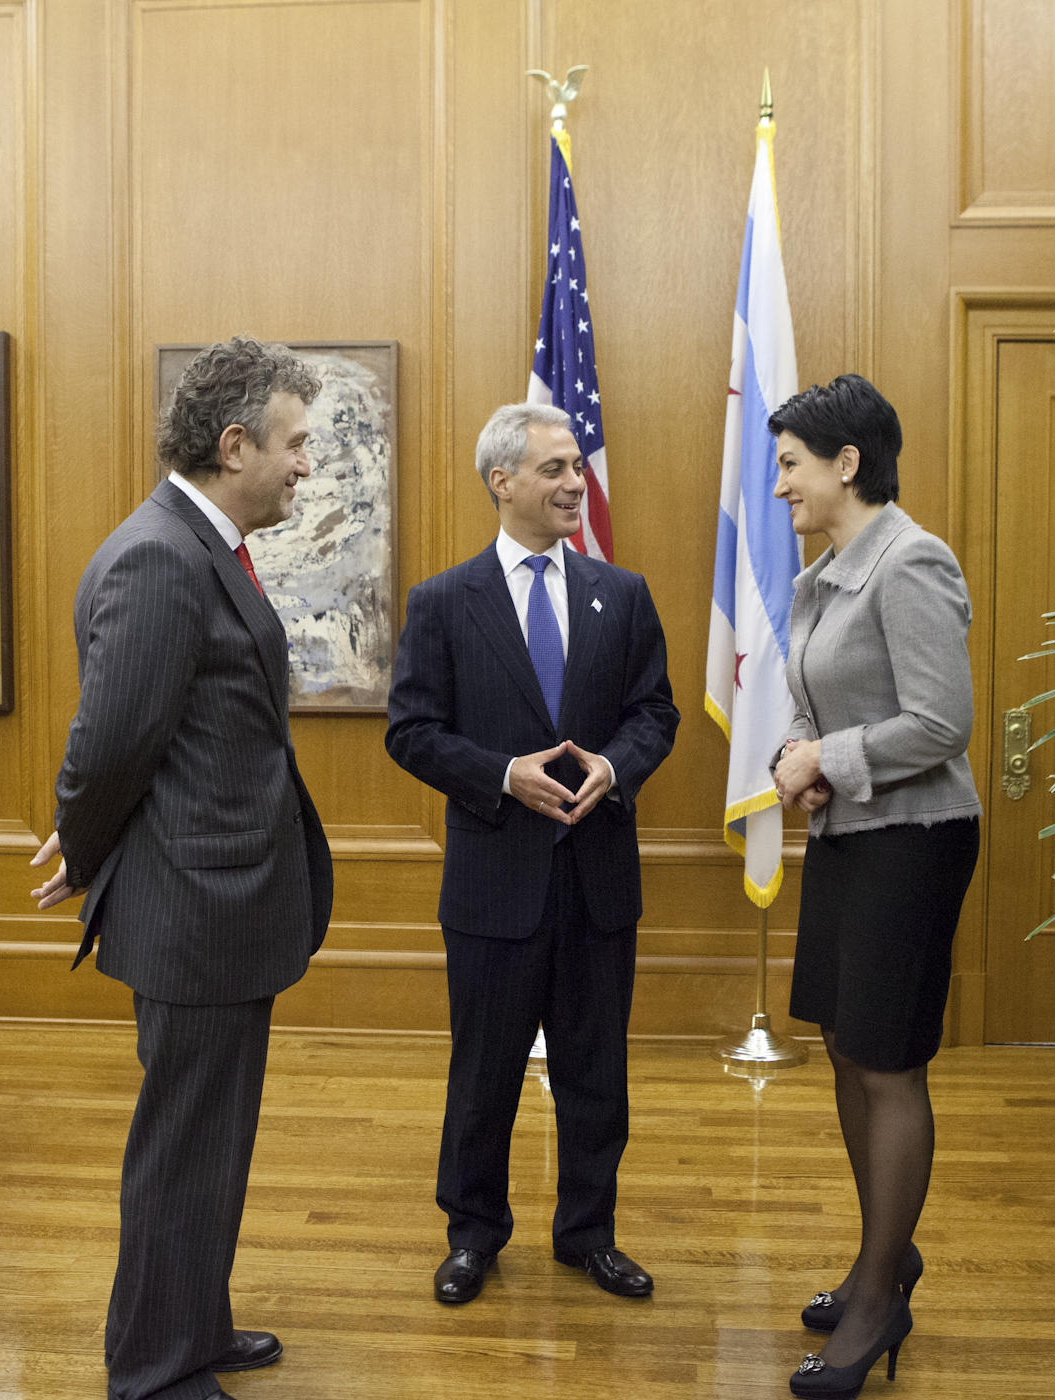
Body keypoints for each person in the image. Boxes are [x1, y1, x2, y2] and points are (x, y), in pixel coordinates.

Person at [29, 336, 336, 1400]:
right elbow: (110, 742)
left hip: (223, 903)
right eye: (294, 443)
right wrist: (82, 842)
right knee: (182, 1146)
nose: (307, 464)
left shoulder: (199, 544)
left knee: (211, 1140)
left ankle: (194, 1320)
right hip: (195, 905)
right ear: (234, 440)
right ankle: (154, 1370)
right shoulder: (161, 555)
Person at [385, 402, 679, 1307]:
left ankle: (587, 1233)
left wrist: (616, 766)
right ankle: (473, 1234)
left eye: (577, 467)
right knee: (484, 1077)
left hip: (597, 883)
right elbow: (411, 731)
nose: (572, 483)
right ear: (501, 481)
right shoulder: (443, 601)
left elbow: (654, 714)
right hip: (493, 884)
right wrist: (501, 774)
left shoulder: (620, 594)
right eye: (553, 469)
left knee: (598, 1073)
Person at [766, 374, 982, 1400]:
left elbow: (943, 724)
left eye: (791, 463)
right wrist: (800, 756)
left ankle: (875, 1305)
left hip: (916, 839)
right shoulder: (827, 571)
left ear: (847, 462)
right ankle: (878, 1257)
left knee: (888, 1061)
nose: (780, 485)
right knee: (849, 1048)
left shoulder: (912, 560)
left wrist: (827, 759)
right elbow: (830, 705)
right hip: (855, 835)